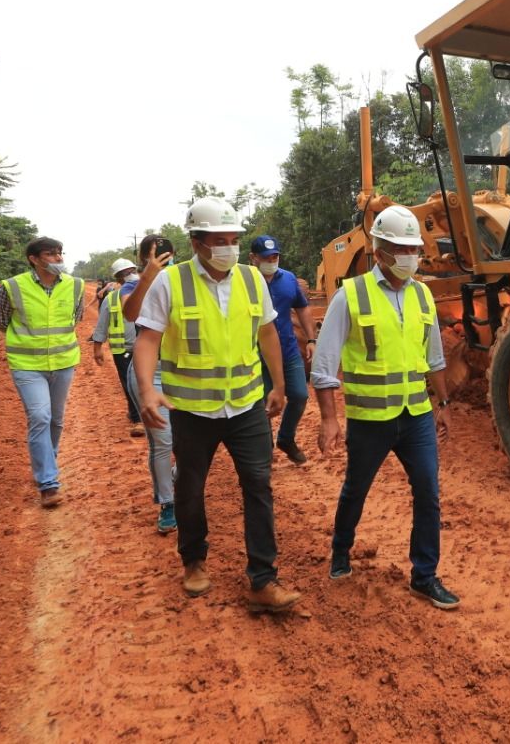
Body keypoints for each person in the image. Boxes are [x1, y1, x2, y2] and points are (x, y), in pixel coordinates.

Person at [132, 197, 301, 613]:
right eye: (219, 240)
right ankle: (193, 560)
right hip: (192, 411)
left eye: (234, 239)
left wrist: (278, 385)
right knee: (190, 488)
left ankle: (263, 579)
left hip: (246, 407)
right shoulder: (171, 283)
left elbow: (266, 335)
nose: (229, 247)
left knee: (258, 486)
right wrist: (147, 391)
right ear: (196, 241)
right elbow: (148, 339)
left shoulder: (251, 279)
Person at [313, 205, 459, 610]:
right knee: (356, 490)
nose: (411, 256)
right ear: (379, 253)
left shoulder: (422, 293)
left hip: (416, 417)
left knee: (428, 492)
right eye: (401, 248)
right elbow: (324, 364)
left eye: (414, 248)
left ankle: (424, 576)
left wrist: (442, 402)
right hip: (371, 420)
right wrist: (329, 418)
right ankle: (341, 550)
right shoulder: (351, 295)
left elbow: (434, 357)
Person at [0, 236, 85, 508]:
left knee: (56, 420)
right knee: (40, 416)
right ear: (34, 258)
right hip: (27, 366)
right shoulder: (12, 287)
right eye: (50, 254)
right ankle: (48, 483)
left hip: (64, 361)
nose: (58, 258)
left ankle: (48, 461)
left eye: (59, 253)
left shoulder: (75, 285)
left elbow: (76, 318)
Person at [121, 236, 178, 535]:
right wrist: (148, 276)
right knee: (163, 440)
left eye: (167, 253)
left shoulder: (184, 281)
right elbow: (130, 314)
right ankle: (168, 502)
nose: (162, 258)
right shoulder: (134, 285)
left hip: (185, 372)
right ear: (143, 257)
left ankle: (177, 480)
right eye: (154, 254)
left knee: (191, 441)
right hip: (150, 371)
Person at [248, 235, 316, 465]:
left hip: (288, 351)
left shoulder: (288, 279)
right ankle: (264, 450)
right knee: (262, 404)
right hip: (256, 355)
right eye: (266, 257)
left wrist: (311, 339)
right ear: (253, 258)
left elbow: (303, 309)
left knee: (299, 395)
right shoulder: (244, 282)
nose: (272, 260)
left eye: (275, 256)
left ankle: (286, 438)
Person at [91, 258, 144, 437]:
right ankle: (138, 419)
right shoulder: (112, 298)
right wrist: (97, 348)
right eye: (124, 273)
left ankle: (146, 414)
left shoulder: (150, 292)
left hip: (150, 349)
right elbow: (102, 324)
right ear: (118, 278)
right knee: (129, 384)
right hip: (123, 350)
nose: (129, 275)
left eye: (131, 270)